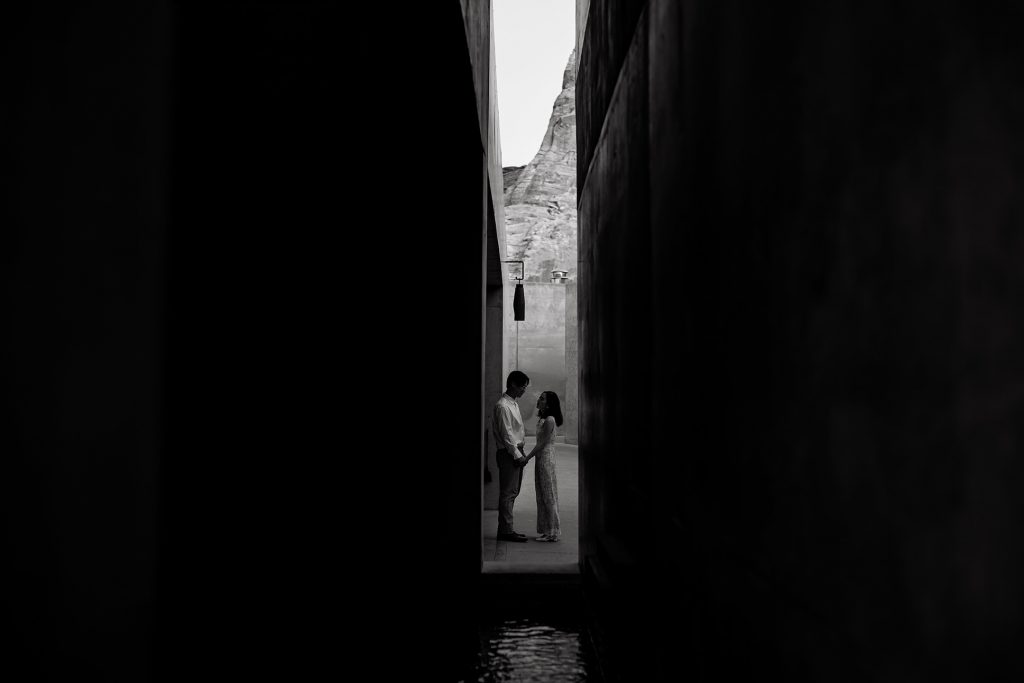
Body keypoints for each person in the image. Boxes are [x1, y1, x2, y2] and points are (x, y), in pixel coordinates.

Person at [519, 391, 563, 542]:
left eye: (542, 398)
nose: (539, 399)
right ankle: (547, 530)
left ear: (549, 403)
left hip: (546, 459)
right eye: (540, 397)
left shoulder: (550, 419)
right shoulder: (543, 419)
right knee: (542, 495)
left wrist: (527, 458)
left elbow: (542, 443)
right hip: (541, 459)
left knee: (548, 495)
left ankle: (553, 532)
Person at [492, 370, 530, 542]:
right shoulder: (502, 406)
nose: (524, 390)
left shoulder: (513, 403)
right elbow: (507, 435)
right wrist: (517, 454)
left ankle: (507, 528)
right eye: (523, 386)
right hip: (509, 454)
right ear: (513, 384)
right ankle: (506, 531)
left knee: (513, 492)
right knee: (508, 493)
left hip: (516, 452)